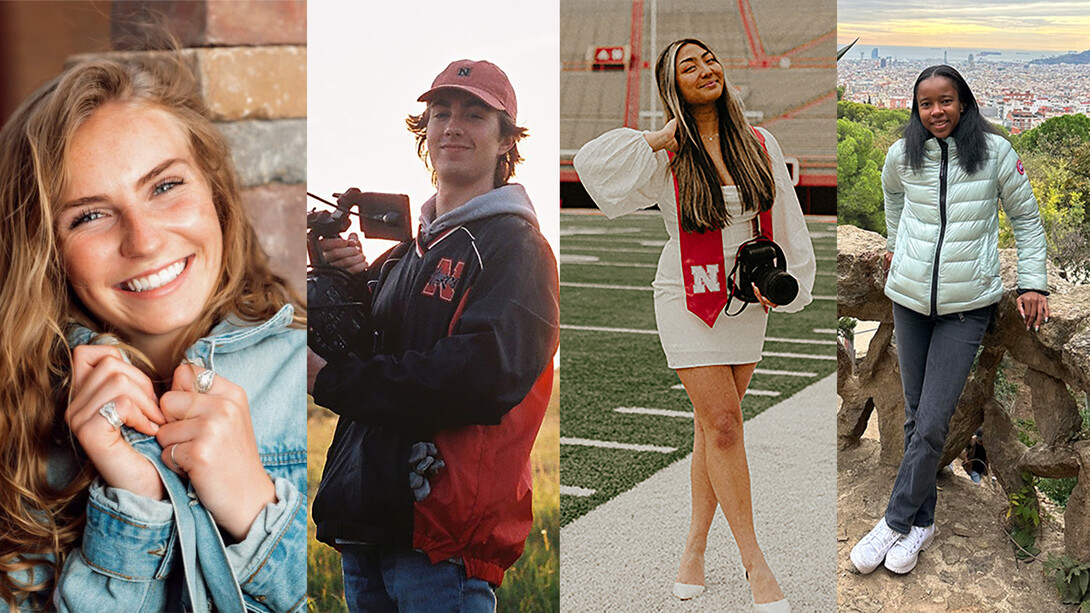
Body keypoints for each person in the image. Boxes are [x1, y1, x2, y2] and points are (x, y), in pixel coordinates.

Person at [0, 56, 306, 612]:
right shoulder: (15, 426)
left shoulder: (313, 380)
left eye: (165, 185)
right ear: (46, 250)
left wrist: (254, 508)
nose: (142, 241)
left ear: (214, 191)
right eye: (89, 216)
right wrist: (132, 506)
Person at [306, 59, 559, 612]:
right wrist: (340, 279)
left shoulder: (513, 246)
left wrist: (334, 380)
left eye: (474, 114)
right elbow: (362, 344)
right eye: (440, 113)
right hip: (369, 520)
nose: (452, 126)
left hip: (441, 539)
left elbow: (481, 374)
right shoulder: (403, 254)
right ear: (424, 132)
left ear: (505, 140)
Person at [573, 38, 815, 611]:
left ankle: (695, 547)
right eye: (689, 66)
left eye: (710, 60)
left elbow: (788, 218)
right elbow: (594, 168)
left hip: (745, 294)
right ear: (672, 85)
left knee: (713, 429)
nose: (706, 69)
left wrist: (788, 284)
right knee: (726, 425)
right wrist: (657, 138)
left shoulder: (760, 143)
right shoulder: (666, 154)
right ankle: (757, 564)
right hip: (686, 292)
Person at [850, 64, 1048, 576]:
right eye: (926, 103)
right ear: (915, 108)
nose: (936, 111)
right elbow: (891, 195)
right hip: (909, 301)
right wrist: (896, 242)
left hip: (967, 304)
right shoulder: (902, 154)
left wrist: (1032, 282)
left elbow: (1026, 217)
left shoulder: (996, 152)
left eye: (946, 101)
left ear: (964, 103)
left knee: (933, 420)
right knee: (919, 418)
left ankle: (892, 522)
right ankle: (922, 523)